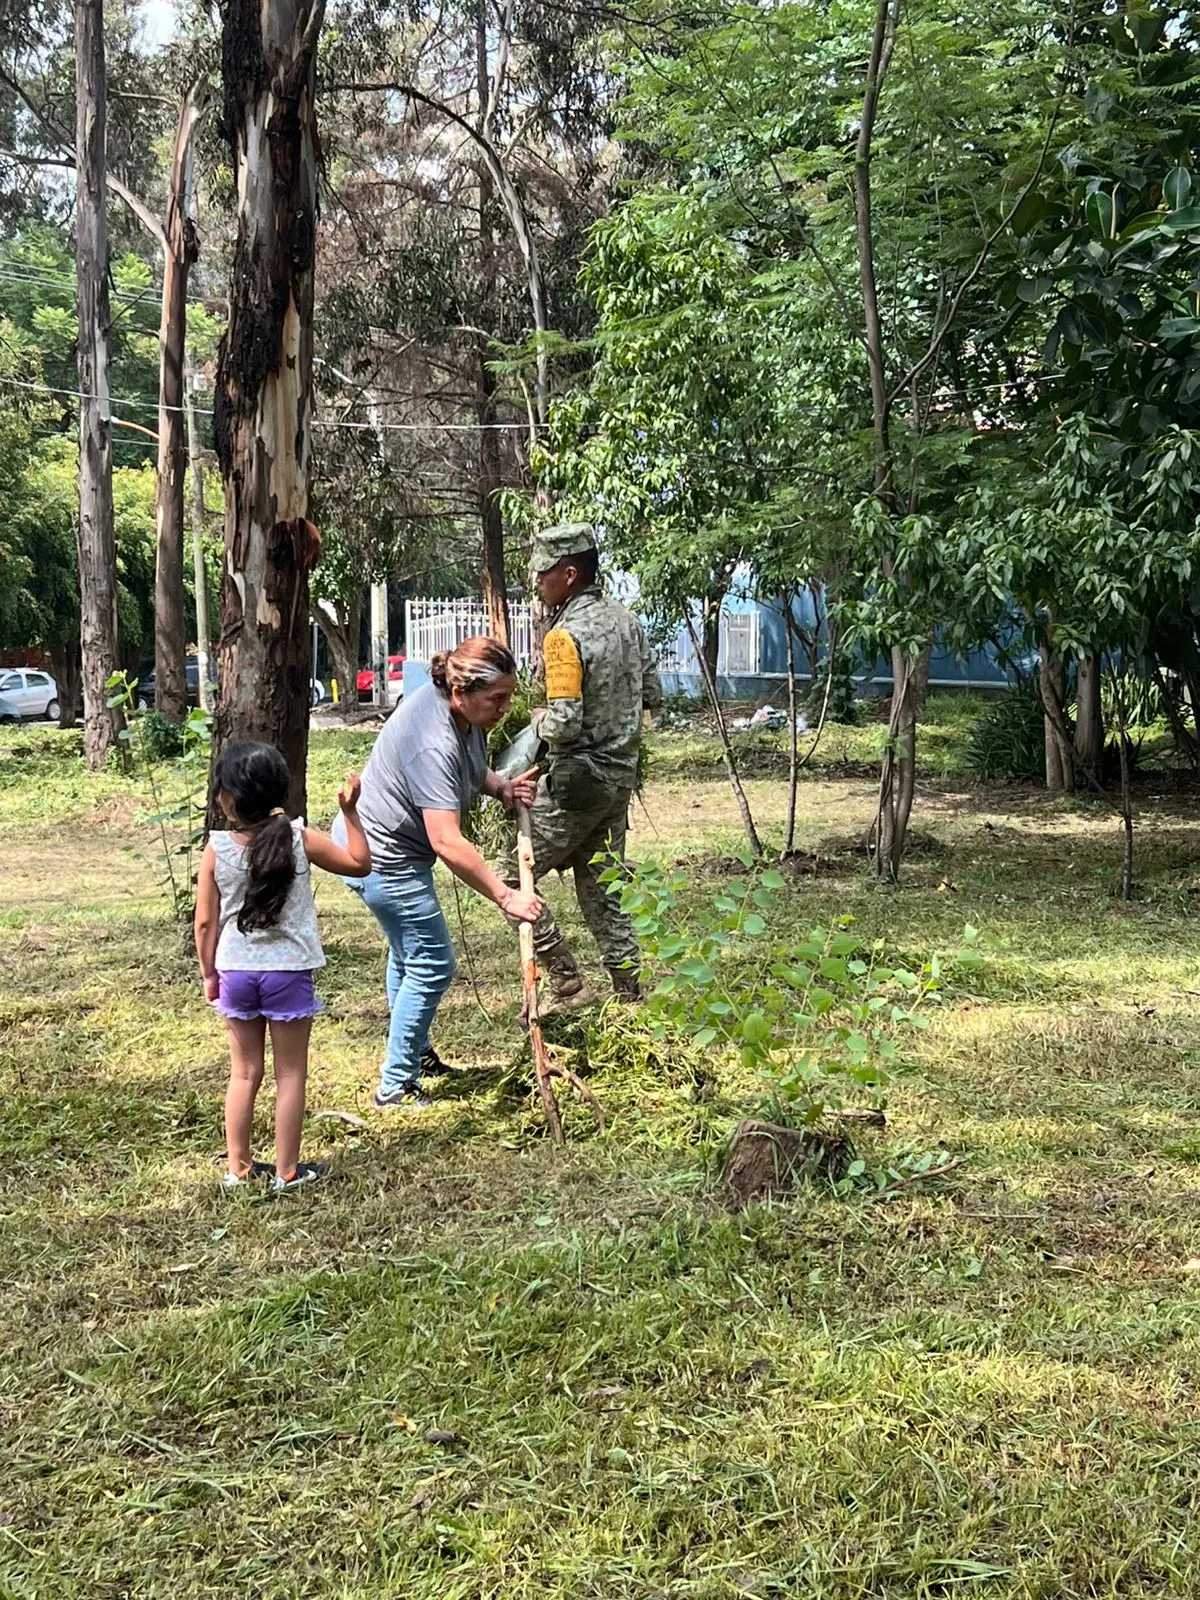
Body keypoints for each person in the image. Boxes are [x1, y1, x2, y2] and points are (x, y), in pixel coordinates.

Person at [342, 636, 544, 1109]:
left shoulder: (461, 715)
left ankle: (414, 1053)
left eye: (509, 696)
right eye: (497, 699)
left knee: (409, 954)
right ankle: (395, 1083)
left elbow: (472, 769)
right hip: (381, 858)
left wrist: (503, 788)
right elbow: (447, 841)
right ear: (461, 693)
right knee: (432, 962)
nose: (505, 708)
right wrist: (505, 895)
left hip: (395, 851)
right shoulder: (431, 740)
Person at [194, 742, 372, 1193]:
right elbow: (358, 863)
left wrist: (209, 974)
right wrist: (350, 814)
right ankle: (287, 1172)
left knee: (244, 1072)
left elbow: (203, 922)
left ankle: (237, 1169)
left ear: (226, 799)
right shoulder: (298, 838)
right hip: (289, 972)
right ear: (279, 789)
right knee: (290, 1074)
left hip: (235, 971)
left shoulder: (216, 849)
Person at [501, 521, 662, 1004]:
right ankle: (630, 992)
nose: (537, 583)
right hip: (618, 780)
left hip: (575, 783)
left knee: (506, 876)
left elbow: (565, 724)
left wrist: (537, 720)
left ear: (569, 575)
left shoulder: (563, 636)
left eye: (543, 574)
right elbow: (652, 695)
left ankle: (565, 974)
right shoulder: (628, 622)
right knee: (604, 888)